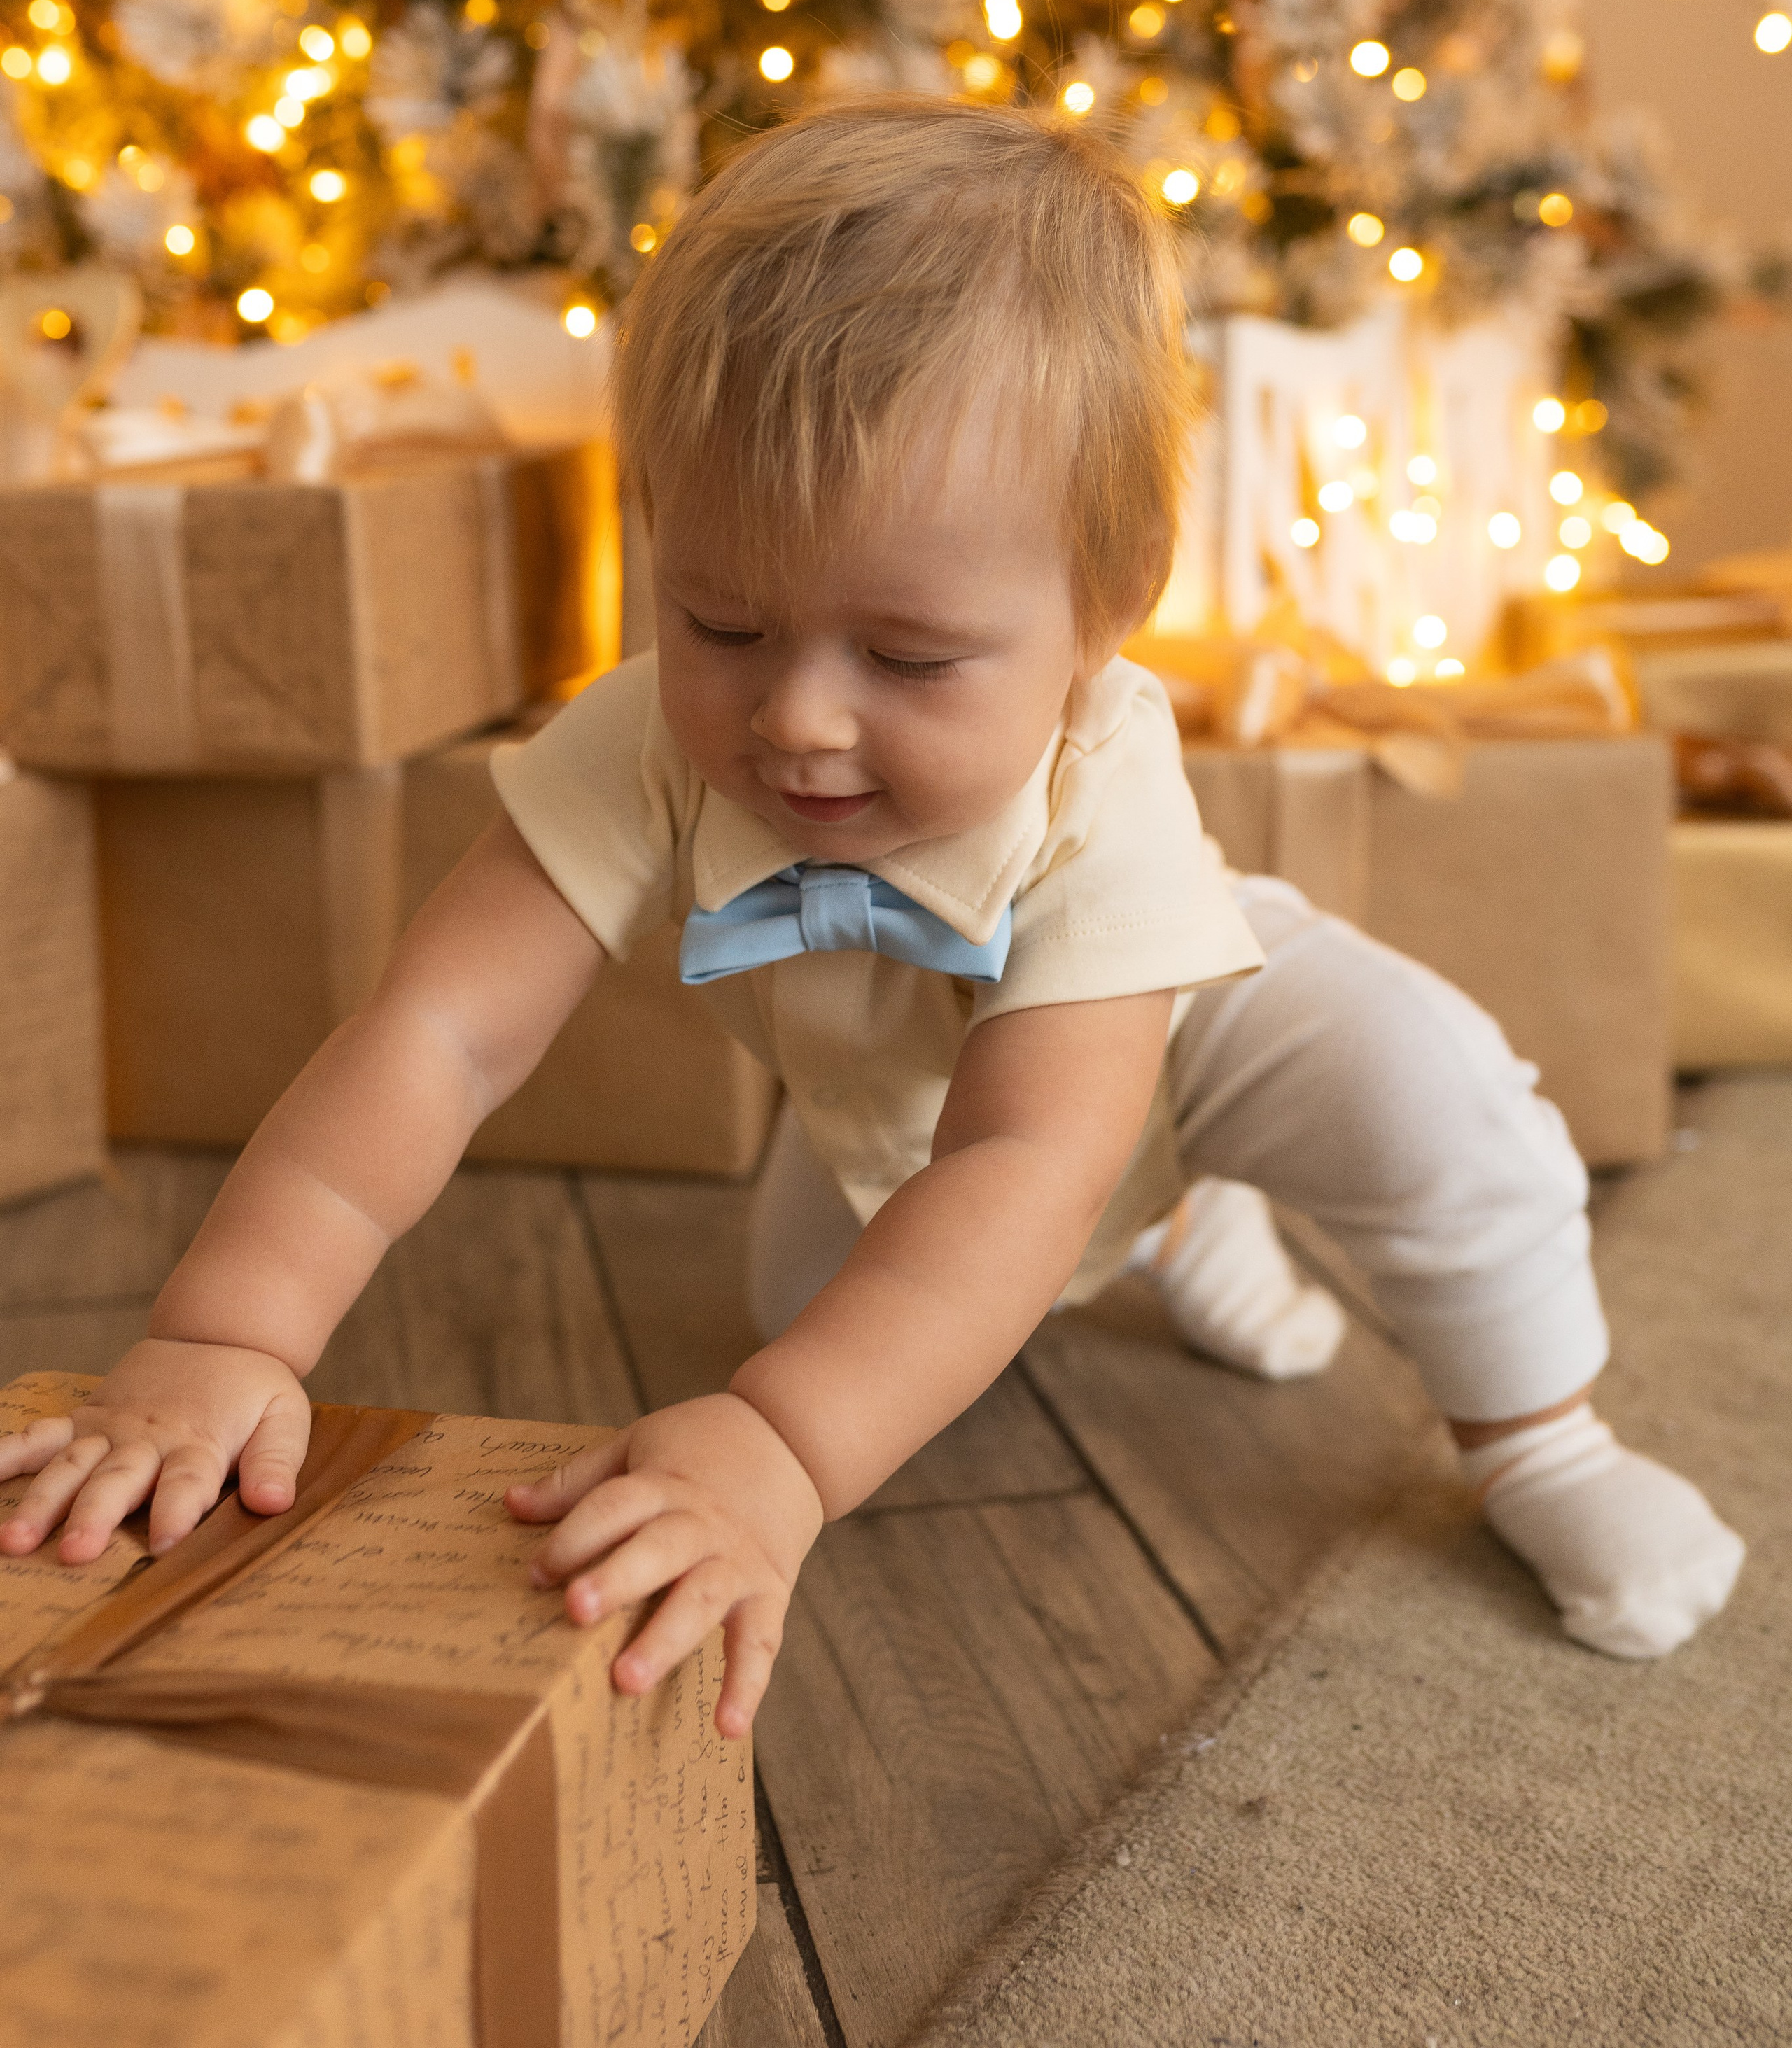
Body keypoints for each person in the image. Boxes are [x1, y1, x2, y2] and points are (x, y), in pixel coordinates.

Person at [0, 99, 1743, 1734]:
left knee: (1417, 1091)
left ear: (1103, 613)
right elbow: (437, 1036)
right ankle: (1174, 1235)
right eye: (721, 625)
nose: (798, 722)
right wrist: (227, 1333)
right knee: (817, 1305)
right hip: (895, 1108)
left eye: (905, 658)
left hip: (1176, 1029)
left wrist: (780, 1449)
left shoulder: (1097, 794)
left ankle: (1537, 1439)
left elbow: (1019, 1169)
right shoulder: (645, 746)